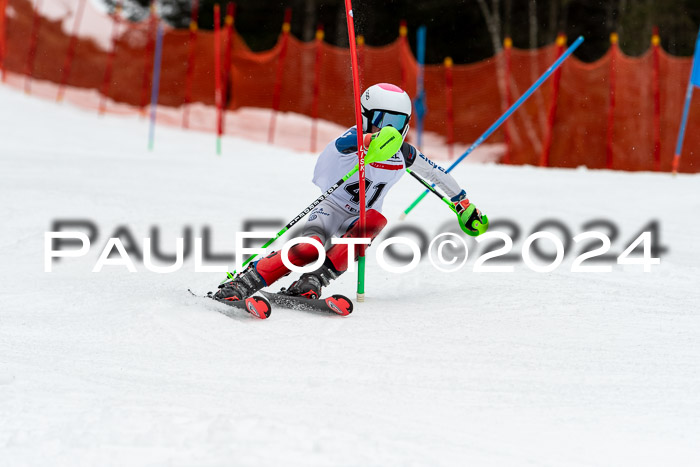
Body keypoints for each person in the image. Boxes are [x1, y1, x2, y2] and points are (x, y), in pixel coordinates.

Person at [215, 82, 486, 301]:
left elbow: (436, 174)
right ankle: (246, 281)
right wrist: (370, 141)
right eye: (381, 120)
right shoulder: (353, 138)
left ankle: (314, 280)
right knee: (310, 248)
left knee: (374, 221)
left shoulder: (404, 153)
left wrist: (463, 204)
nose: (388, 129)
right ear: (366, 118)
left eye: (397, 121)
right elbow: (347, 143)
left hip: (359, 218)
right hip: (330, 208)